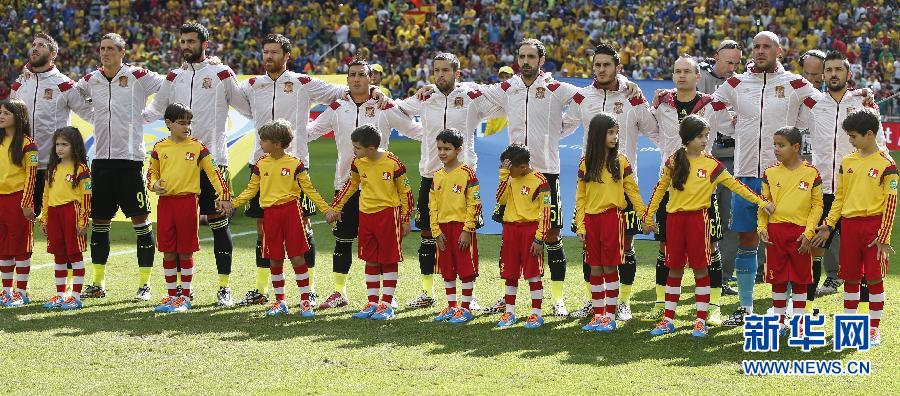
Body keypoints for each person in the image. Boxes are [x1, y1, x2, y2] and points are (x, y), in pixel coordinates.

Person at [234, 34, 357, 307]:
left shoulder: (302, 83)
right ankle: (261, 289)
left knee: (303, 228)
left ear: (287, 55)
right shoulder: (252, 85)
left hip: (296, 164)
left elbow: (341, 91)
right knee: (262, 228)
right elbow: (228, 94)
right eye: (265, 52)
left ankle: (309, 289)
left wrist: (376, 91)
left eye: (274, 52)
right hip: (261, 164)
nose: (268, 57)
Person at [710, 31, 819, 327]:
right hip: (746, 174)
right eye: (756, 46)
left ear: (779, 50)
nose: (760, 51)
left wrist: (857, 97)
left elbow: (822, 111)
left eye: (766, 46)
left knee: (786, 243)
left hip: (784, 179)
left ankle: (786, 314)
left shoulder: (795, 83)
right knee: (748, 239)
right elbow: (712, 105)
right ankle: (746, 307)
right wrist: (731, 128)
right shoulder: (737, 83)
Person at [642, 115, 774, 337]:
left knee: (701, 269)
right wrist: (648, 217)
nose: (705, 140)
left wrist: (762, 201)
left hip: (698, 222)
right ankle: (668, 319)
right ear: (687, 138)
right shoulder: (674, 161)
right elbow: (659, 190)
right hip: (674, 221)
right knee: (674, 269)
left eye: (706, 136)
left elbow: (737, 186)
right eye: (700, 136)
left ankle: (700, 320)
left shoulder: (712, 164)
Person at [143, 23, 243, 307]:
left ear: (205, 43)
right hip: (178, 164)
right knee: (177, 233)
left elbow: (245, 106)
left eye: (191, 41)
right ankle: (181, 293)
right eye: (182, 41)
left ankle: (224, 288)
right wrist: (124, 115)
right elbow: (155, 109)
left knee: (219, 225)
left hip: (213, 160)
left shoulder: (222, 73)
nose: (185, 46)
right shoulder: (173, 76)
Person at [308, 59, 419, 311]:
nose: (356, 79)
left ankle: (387, 297)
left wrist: (439, 135)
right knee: (343, 239)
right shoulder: (337, 106)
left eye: (361, 75)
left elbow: (412, 129)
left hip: (380, 188)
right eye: (352, 75)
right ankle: (339, 292)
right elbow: (313, 130)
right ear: (347, 80)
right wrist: (286, 136)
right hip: (345, 183)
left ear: (372, 79)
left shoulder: (384, 105)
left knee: (382, 245)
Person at [395, 52, 499, 310]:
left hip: (463, 179)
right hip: (431, 175)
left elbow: (502, 102)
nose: (440, 75)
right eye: (436, 70)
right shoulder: (425, 97)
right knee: (429, 235)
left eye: (445, 70)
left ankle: (468, 296)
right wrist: (422, 134)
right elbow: (398, 110)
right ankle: (427, 292)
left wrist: (474, 87)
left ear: (457, 73)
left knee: (464, 234)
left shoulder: (471, 98)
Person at [564, 43, 658, 321]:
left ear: (618, 68)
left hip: (624, 184)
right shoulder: (582, 98)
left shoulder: (634, 96)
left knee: (626, 246)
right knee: (589, 248)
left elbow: (654, 131)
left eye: (607, 65)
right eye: (597, 65)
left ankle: (623, 302)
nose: (601, 70)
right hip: (592, 184)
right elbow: (564, 127)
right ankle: (593, 302)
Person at [75, 33, 165, 300]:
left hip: (130, 161)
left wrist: (147, 115)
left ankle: (145, 284)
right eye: (102, 48)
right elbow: (74, 94)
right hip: (101, 161)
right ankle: (98, 283)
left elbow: (167, 86)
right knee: (100, 221)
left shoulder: (137, 76)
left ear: (122, 52)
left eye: (111, 49)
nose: (105, 53)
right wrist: (91, 114)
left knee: (141, 222)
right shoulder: (92, 79)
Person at [649, 56, 734, 325]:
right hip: (673, 186)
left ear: (698, 76)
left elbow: (732, 127)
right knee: (666, 248)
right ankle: (663, 305)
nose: (682, 75)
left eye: (687, 71)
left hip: (703, 190)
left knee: (712, 248)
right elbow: (651, 129)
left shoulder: (710, 104)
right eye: (677, 71)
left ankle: (714, 307)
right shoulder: (662, 103)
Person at [798, 51, 886, 304]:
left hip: (856, 187)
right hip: (823, 185)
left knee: (861, 245)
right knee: (814, 242)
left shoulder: (862, 104)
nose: (833, 74)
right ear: (823, 75)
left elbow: (879, 145)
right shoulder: (813, 104)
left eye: (839, 69)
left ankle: (868, 299)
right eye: (829, 70)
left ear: (848, 74)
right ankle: (807, 296)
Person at [232, 119, 335, 317]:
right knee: (275, 258)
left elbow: (309, 190)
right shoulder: (260, 164)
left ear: (277, 144)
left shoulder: (295, 164)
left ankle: (305, 301)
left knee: (297, 257)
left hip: (292, 213)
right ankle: (280, 302)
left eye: (264, 140)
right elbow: (251, 190)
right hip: (270, 215)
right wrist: (233, 204)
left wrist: (326, 209)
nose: (261, 144)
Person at [813, 108, 896, 347]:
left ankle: (872, 329)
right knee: (850, 277)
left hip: (874, 229)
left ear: (869, 134)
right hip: (849, 227)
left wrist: (884, 235)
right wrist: (829, 224)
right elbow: (840, 198)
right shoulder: (847, 162)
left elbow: (891, 203)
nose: (850, 141)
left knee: (874, 279)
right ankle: (850, 327)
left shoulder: (887, 165)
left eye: (853, 136)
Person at [146, 103, 233, 313]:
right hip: (166, 205)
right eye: (182, 123)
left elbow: (214, 173)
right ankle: (170, 295)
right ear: (168, 123)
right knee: (167, 251)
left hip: (187, 203)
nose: (187, 127)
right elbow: (151, 173)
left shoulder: (198, 146)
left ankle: (185, 296)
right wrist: (154, 184)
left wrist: (225, 195)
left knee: (185, 251)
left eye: (189, 123)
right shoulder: (159, 147)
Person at [331, 124, 414, 321]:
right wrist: (336, 206)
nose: (354, 151)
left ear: (371, 148)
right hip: (366, 215)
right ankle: (372, 302)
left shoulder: (393, 163)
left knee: (388, 259)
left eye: (357, 147)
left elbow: (406, 192)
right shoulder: (358, 162)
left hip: (388, 215)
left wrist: (405, 218)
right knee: (371, 258)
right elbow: (351, 185)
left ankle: (386, 304)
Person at [575, 113, 645, 333]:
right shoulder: (586, 163)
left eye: (616, 133)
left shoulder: (621, 161)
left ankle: (609, 316)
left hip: (612, 219)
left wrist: (644, 214)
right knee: (594, 267)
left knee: (609, 266)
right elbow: (581, 196)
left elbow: (632, 190)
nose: (615, 137)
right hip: (591, 220)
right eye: (610, 133)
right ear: (597, 135)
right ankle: (598, 315)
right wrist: (580, 224)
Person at [9, 33, 92, 215]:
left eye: (41, 45)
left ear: (53, 54)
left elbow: (90, 114)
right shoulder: (18, 84)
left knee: (56, 224)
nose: (35, 48)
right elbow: (10, 124)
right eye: (33, 44)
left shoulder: (64, 85)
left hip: (54, 168)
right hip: (22, 167)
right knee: (19, 223)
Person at [757, 127, 823, 336]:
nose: (776, 149)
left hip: (800, 235)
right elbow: (763, 202)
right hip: (776, 233)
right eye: (775, 144)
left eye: (781, 145)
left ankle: (800, 322)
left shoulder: (812, 172)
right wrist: (762, 227)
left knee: (800, 280)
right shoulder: (769, 172)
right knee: (778, 280)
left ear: (796, 147)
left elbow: (817, 206)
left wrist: (809, 231)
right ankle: (779, 322)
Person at [494, 144, 551, 329]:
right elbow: (500, 199)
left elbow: (547, 213)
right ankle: (509, 312)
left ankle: (536, 313)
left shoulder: (540, 181)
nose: (508, 172)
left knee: (533, 274)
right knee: (510, 273)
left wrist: (539, 238)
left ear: (523, 167)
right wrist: (504, 175)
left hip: (530, 231)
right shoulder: (509, 177)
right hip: (510, 230)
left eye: (510, 169)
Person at [429, 129, 481, 324]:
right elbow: (432, 205)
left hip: (461, 228)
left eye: (447, 149)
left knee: (466, 268)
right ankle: (452, 307)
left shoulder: (467, 173)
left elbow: (474, 204)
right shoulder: (437, 176)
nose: (442, 152)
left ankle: (465, 308)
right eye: (440, 148)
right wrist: (435, 231)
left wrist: (467, 230)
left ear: (458, 150)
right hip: (442, 229)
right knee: (447, 268)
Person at [38, 127, 91, 310]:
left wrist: (83, 220)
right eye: (57, 144)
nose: (59, 148)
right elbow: (46, 195)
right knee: (59, 255)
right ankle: (61, 295)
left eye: (64, 144)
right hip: (54, 213)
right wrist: (44, 218)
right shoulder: (52, 169)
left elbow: (86, 196)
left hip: (72, 213)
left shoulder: (81, 169)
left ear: (74, 146)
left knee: (74, 255)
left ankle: (75, 297)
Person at [0, 99, 39, 307]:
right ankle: (6, 291)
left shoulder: (27, 144)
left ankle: (21, 292)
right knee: (3, 247)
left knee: (21, 247)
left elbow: (31, 177)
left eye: (6, 113)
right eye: (0, 112)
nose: (1, 116)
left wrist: (26, 203)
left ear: (18, 116)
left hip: (18, 201)